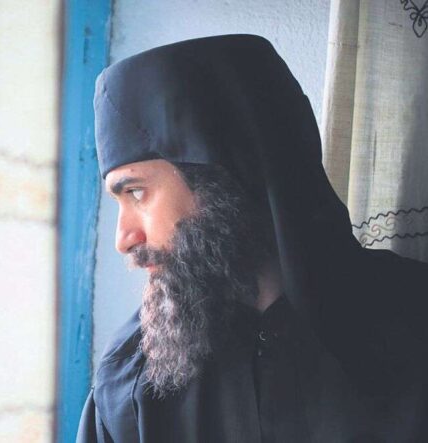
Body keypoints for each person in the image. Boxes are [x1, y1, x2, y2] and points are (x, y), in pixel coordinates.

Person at [77, 34, 428, 442]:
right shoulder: (127, 383)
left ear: (225, 174)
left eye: (137, 193)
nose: (124, 239)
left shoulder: (415, 322)